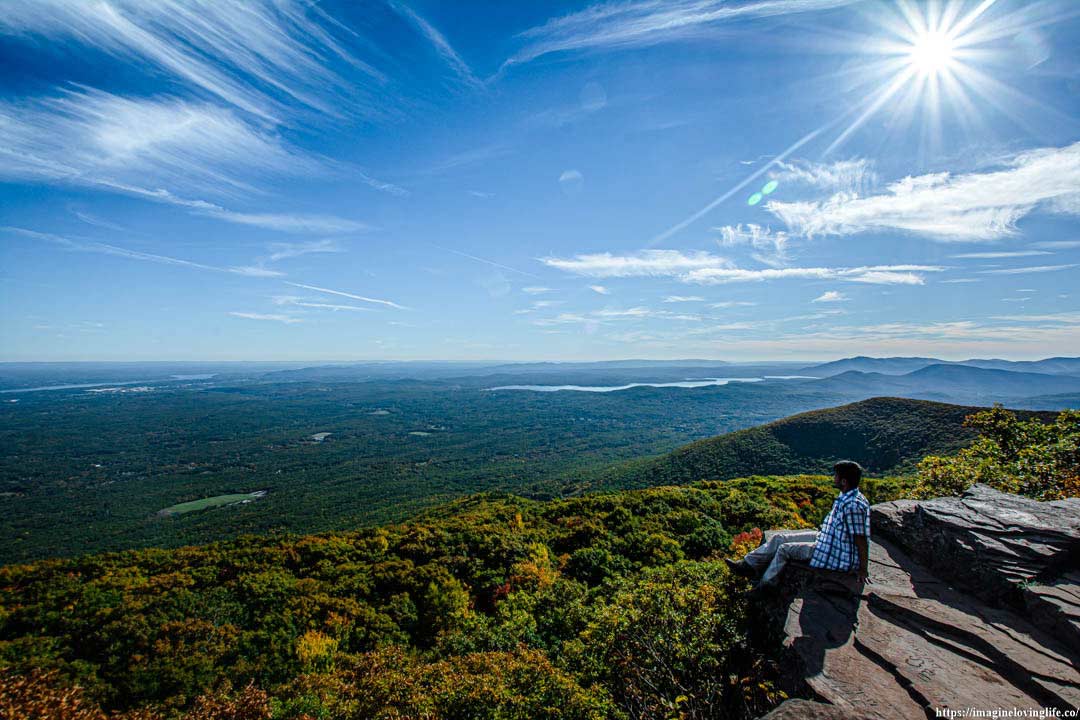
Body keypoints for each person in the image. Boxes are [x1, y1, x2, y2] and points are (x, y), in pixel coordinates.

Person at [726, 461, 871, 588]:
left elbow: (860, 538)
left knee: (784, 549)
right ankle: (746, 565)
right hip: (827, 539)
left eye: (836, 476)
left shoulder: (853, 506)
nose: (834, 478)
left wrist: (863, 569)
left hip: (833, 551)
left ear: (844, 481)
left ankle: (765, 586)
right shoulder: (847, 496)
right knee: (778, 538)